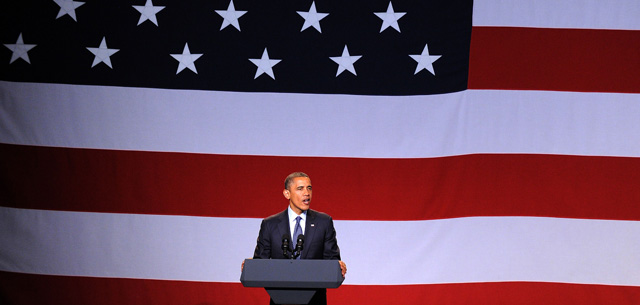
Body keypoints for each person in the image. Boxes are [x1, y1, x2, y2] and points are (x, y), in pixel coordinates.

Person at [249, 172, 346, 305]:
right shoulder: (270, 224)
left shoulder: (323, 222)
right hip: (280, 299)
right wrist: (252, 265)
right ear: (287, 194)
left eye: (309, 188)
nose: (306, 193)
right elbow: (261, 261)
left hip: (315, 299)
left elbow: (332, 260)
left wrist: (337, 266)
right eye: (300, 188)